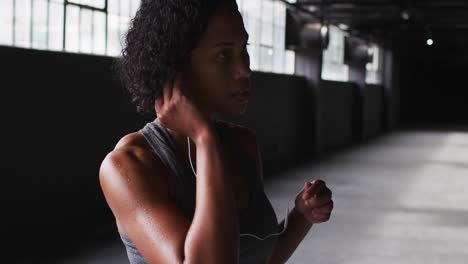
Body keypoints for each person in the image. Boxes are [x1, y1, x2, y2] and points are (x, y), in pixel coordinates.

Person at [99, 0, 334, 263]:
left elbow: (254, 256)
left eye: (244, 48)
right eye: (224, 54)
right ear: (177, 65)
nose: (244, 69)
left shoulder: (242, 144)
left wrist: (301, 216)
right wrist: (205, 139)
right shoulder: (128, 167)